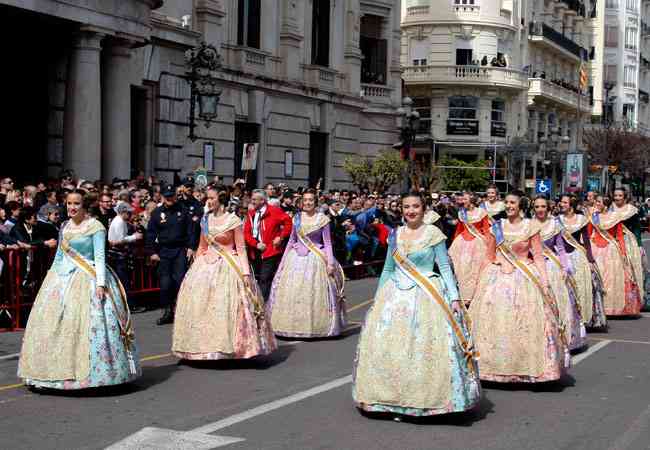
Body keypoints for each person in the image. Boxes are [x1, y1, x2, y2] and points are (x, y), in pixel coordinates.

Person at [353, 191, 480, 418]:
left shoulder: (433, 234)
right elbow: (388, 269)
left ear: (424, 209)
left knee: (424, 348)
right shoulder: (395, 234)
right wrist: (378, 299)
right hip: (395, 296)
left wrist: (454, 299)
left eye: (415, 207)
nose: (411, 211)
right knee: (392, 348)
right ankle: (390, 400)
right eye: (406, 207)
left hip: (427, 295)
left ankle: (426, 400)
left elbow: (444, 268)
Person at [18, 190, 141, 390]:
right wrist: (51, 278)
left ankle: (97, 375)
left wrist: (101, 284)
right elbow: (60, 255)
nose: (72, 207)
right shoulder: (64, 226)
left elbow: (100, 257)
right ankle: (50, 373)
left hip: (88, 278)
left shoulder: (95, 227)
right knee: (54, 324)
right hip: (63, 279)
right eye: (68, 203)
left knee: (89, 325)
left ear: (84, 206)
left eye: (76, 204)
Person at [469, 190, 569, 383]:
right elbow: (489, 256)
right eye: (506, 202)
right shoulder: (496, 227)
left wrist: (545, 281)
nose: (508, 206)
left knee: (526, 322)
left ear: (520, 205)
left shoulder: (530, 227)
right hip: (497, 278)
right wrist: (479, 282)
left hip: (524, 277)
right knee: (496, 322)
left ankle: (526, 367)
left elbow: (538, 255)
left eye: (512, 203)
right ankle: (492, 368)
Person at [172, 186, 277, 360]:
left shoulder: (233, 220)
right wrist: (194, 269)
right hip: (205, 267)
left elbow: (241, 249)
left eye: (212, 198)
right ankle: (200, 347)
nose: (208, 201)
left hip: (228, 265)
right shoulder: (205, 220)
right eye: (208, 198)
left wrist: (245, 274)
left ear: (221, 199)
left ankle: (231, 347)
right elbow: (202, 246)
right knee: (200, 306)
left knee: (227, 306)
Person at [268, 189, 346, 338]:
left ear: (315, 202)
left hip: (316, 258)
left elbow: (328, 243)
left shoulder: (322, 219)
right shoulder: (296, 218)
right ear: (302, 202)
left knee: (313, 293)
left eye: (311, 200)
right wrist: (283, 262)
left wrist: (330, 263)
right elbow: (291, 241)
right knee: (294, 292)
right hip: (295, 258)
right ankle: (292, 325)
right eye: (305, 200)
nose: (308, 203)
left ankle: (316, 326)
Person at [532, 197, 586, 352]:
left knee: (556, 302)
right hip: (532, 267)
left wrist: (565, 267)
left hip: (550, 266)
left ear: (548, 208)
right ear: (533, 208)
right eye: (537, 206)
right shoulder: (527, 225)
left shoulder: (555, 224)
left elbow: (560, 248)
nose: (540, 209)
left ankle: (559, 337)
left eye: (543, 206)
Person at [146, 184, 198, 325]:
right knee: (165, 283)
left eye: (172, 196)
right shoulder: (157, 213)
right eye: (167, 196)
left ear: (175, 196)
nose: (169, 199)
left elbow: (191, 230)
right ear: (163, 197)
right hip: (164, 251)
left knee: (179, 281)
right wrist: (152, 252)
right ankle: (167, 311)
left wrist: (191, 247)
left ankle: (179, 310)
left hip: (180, 250)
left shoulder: (183, 210)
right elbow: (150, 234)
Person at [558, 195, 607, 330]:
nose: (561, 204)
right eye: (561, 202)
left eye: (564, 202)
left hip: (577, 255)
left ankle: (582, 316)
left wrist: (590, 260)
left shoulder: (581, 220)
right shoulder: (557, 220)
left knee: (581, 286)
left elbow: (586, 241)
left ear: (571, 205)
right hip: (561, 256)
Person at [589, 195, 642, 316]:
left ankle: (612, 307)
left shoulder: (615, 217)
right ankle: (597, 307)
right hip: (596, 249)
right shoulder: (593, 217)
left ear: (605, 205)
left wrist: (623, 253)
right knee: (598, 277)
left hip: (611, 250)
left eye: (598, 202)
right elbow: (588, 233)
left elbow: (619, 236)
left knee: (612, 279)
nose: (596, 204)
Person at [243, 189, 292, 301]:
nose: (252, 201)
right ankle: (256, 304)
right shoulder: (251, 213)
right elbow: (246, 233)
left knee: (265, 279)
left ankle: (263, 306)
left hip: (270, 251)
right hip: (254, 252)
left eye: (255, 199)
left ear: (262, 200)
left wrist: (280, 237)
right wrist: (255, 244)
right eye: (252, 198)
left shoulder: (274, 211)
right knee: (256, 278)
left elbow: (289, 223)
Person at [448, 192, 491, 304]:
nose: (462, 201)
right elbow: (459, 230)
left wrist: (489, 245)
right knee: (462, 270)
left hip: (477, 243)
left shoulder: (481, 212)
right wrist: (454, 244)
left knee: (475, 270)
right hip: (462, 243)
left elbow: (486, 229)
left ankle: (474, 295)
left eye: (465, 199)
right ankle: (463, 295)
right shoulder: (462, 213)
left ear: (471, 200)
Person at [610, 187, 645, 305]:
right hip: (613, 241)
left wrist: (639, 245)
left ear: (625, 197)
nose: (617, 198)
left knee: (628, 269)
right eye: (615, 195)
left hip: (627, 241)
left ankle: (630, 301)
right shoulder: (610, 209)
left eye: (620, 196)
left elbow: (637, 229)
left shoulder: (632, 210)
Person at [108, 203, 144, 312]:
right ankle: (129, 305)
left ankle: (127, 305)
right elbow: (119, 241)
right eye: (128, 212)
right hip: (118, 256)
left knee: (124, 281)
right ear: (123, 212)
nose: (130, 214)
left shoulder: (120, 221)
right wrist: (134, 237)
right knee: (124, 281)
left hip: (118, 255)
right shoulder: (119, 222)